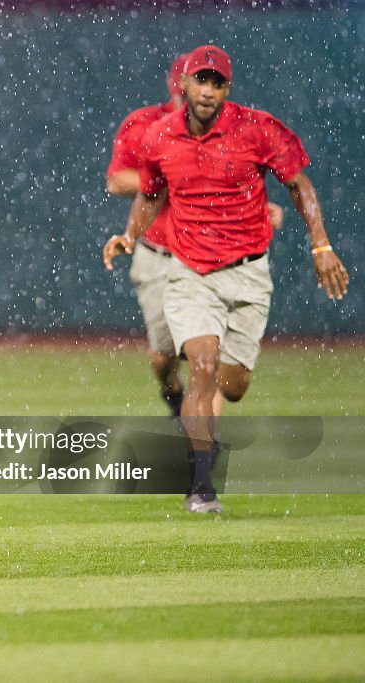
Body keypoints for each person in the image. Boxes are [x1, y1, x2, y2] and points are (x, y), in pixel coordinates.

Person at [103, 45, 349, 514]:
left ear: (227, 89)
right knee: (201, 364)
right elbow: (150, 192)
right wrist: (129, 235)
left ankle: (200, 438)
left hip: (248, 273)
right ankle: (200, 487)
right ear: (185, 85)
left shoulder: (256, 128)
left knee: (232, 385)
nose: (208, 90)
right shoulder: (158, 135)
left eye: (217, 83)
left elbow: (300, 184)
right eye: (201, 80)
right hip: (190, 271)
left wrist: (321, 244)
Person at [106, 52, 284, 418]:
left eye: (212, 85)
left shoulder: (231, 130)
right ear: (180, 87)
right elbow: (117, 179)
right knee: (163, 355)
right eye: (187, 89)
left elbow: (239, 181)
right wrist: (177, 176)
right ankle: (172, 394)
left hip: (214, 261)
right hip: (160, 252)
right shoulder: (146, 127)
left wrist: (255, 208)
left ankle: (205, 445)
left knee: (209, 360)